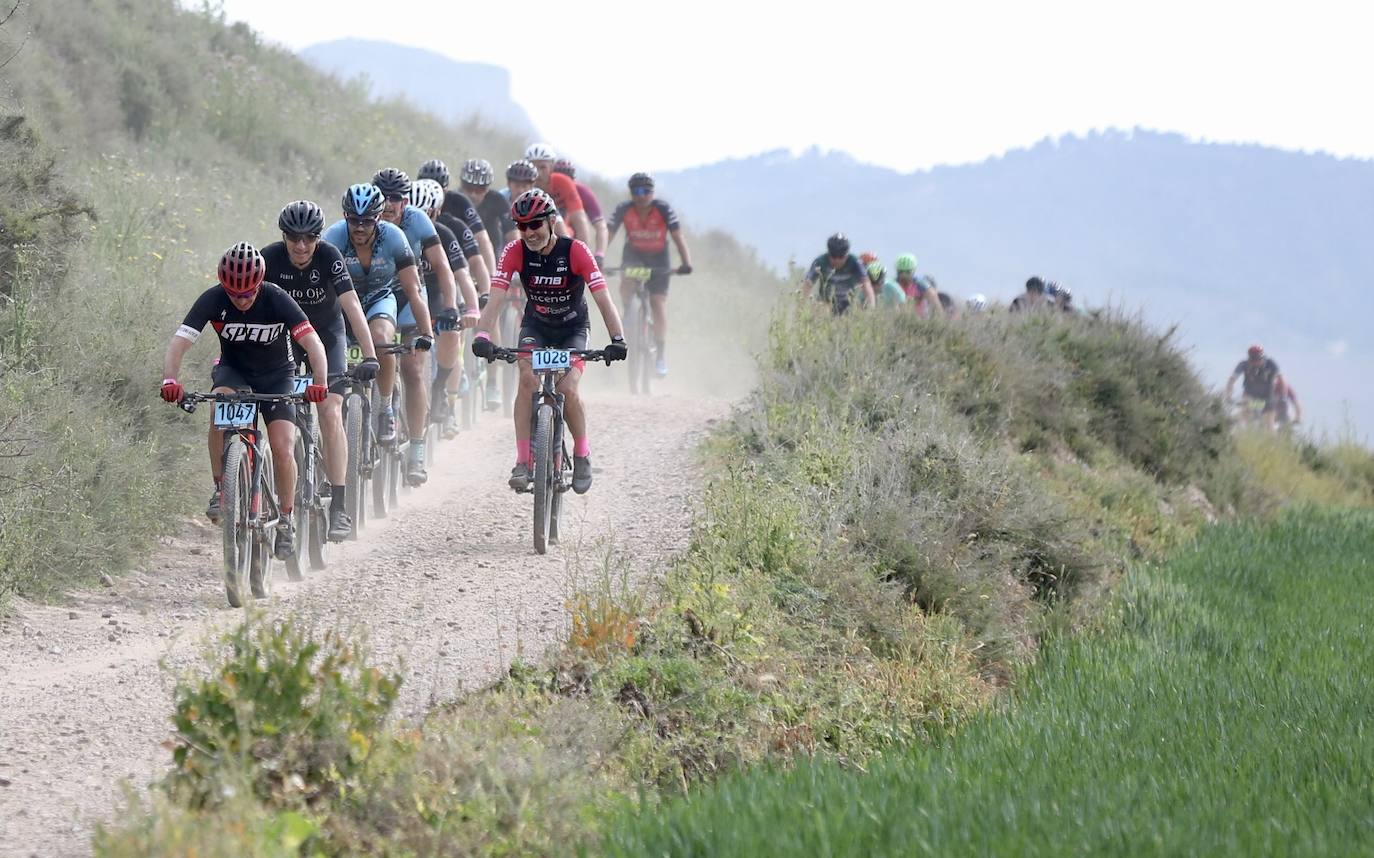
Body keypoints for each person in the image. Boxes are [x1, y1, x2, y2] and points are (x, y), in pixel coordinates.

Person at [159, 242, 330, 559]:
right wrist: (170, 379)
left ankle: (286, 520)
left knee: (282, 446)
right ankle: (221, 488)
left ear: (260, 283)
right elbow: (180, 341)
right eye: (233, 294)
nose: (241, 299)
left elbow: (312, 341)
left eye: (248, 293)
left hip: (278, 375)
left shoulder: (276, 297)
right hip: (233, 372)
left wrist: (319, 382)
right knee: (218, 410)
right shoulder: (213, 299)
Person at [471, 188, 627, 494]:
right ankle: (522, 460)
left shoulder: (575, 250)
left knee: (567, 388)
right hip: (537, 326)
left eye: (535, 224)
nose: (529, 232)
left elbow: (603, 298)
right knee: (527, 380)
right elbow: (496, 297)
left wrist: (617, 338)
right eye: (522, 226)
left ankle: (582, 454)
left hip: (572, 328)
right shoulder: (514, 251)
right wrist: (482, 335)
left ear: (551, 221)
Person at [259, 200, 380, 540]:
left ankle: (340, 505)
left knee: (330, 409)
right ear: (283, 237)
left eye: (309, 238)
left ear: (317, 238)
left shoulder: (329, 256)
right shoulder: (269, 258)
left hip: (327, 335)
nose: (301, 246)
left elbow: (352, 305)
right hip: (284, 339)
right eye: (293, 238)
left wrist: (370, 356)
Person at [373, 167, 478, 484]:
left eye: (396, 198)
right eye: (384, 198)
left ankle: (417, 450)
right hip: (374, 299)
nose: (390, 205)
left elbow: (445, 268)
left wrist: (450, 306)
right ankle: (375, 415)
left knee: (413, 369)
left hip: (409, 300)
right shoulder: (362, 219)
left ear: (405, 201)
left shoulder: (417, 221)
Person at [321, 184, 434, 456]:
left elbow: (413, 290)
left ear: (378, 218)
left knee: (382, 340)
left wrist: (427, 333)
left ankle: (385, 408)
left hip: (379, 299)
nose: (359, 228)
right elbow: (319, 289)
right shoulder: (333, 237)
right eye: (354, 220)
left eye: (366, 221)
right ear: (345, 215)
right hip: (342, 304)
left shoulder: (394, 237)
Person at [409, 178, 482, 439]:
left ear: (437, 212)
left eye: (426, 213)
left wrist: (472, 308)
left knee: (451, 333)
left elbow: (462, 275)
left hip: (439, 293)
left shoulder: (447, 232)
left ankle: (441, 389)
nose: (421, 219)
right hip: (410, 293)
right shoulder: (397, 231)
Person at [606, 172, 694, 377]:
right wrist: (597, 257)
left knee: (657, 303)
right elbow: (608, 233)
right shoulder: (623, 209)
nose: (641, 195)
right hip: (634, 255)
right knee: (626, 280)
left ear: (652, 193)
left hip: (659, 259)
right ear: (631, 193)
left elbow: (677, 236)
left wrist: (686, 262)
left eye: (645, 191)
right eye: (636, 191)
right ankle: (629, 313)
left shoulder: (663, 209)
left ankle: (660, 356)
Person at [418, 158, 494, 290]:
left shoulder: (459, 202)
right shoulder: (413, 199)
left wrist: (492, 279)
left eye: (437, 188)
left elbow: (481, 239)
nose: (431, 192)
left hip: (457, 258)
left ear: (446, 188)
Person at [524, 143, 594, 244]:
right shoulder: (521, 185)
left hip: (562, 231)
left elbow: (579, 220)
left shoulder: (563, 182)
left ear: (552, 167)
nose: (538, 173)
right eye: (533, 167)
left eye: (542, 167)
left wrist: (583, 252)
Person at [553, 157, 610, 268]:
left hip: (575, 239)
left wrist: (599, 255)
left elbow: (601, 227)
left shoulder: (583, 192)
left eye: (567, 180)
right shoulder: (545, 189)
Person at [802, 233, 872, 314]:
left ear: (846, 255)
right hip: (825, 303)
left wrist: (871, 309)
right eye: (834, 256)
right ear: (828, 253)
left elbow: (866, 285)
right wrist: (803, 308)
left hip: (849, 304)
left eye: (841, 256)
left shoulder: (855, 262)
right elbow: (808, 284)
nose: (837, 260)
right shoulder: (820, 261)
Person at [1225, 344, 1284, 429]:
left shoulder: (1271, 363)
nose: (1256, 362)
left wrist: (1282, 397)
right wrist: (1228, 395)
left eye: (1258, 359)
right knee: (1244, 415)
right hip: (1250, 396)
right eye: (1253, 360)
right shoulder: (1243, 364)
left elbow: (1281, 379)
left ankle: (1272, 438)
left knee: (1269, 424)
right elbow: (1231, 380)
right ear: (1249, 358)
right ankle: (1243, 434)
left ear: (1263, 357)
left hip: (1267, 398)